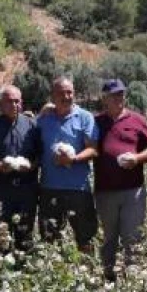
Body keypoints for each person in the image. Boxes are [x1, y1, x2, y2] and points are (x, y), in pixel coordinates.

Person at [93, 79, 147, 278]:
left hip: (133, 192)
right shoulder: (96, 122)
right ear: (105, 99)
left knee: (133, 237)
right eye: (114, 95)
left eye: (121, 94)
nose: (119, 98)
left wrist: (137, 159)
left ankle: (133, 281)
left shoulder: (137, 120)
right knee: (108, 238)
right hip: (105, 191)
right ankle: (108, 277)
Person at [36, 77, 99, 252]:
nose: (66, 96)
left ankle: (88, 274)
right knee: (50, 237)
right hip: (50, 188)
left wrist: (73, 159)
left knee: (85, 237)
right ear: (53, 96)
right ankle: (54, 276)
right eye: (61, 93)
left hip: (78, 189)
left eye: (69, 92)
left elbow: (93, 150)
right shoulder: (44, 119)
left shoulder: (85, 117)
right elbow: (31, 136)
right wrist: (40, 113)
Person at [0, 86, 39, 252]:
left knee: (25, 234)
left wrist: (31, 166)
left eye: (16, 101)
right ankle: (4, 269)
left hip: (27, 188)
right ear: (0, 104)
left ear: (21, 103)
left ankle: (26, 271)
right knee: (3, 234)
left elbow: (40, 155)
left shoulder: (32, 126)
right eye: (9, 101)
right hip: (2, 189)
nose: (13, 105)